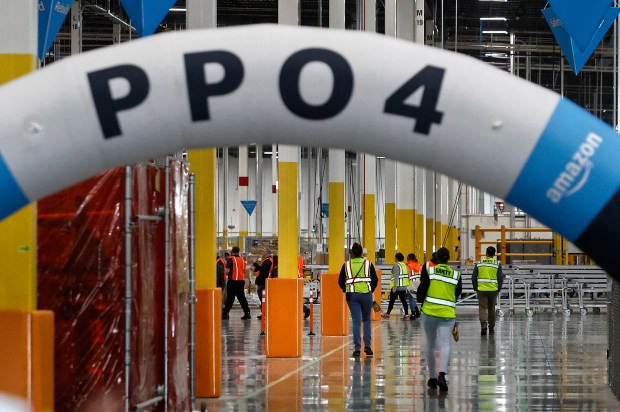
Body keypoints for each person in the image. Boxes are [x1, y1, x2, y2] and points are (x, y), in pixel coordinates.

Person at [417, 247, 462, 392]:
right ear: (448, 259)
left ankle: (432, 378)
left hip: (429, 312)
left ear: (436, 258)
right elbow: (457, 293)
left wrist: (421, 302)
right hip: (447, 313)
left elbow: (422, 290)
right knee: (445, 344)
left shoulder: (429, 270)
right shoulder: (456, 274)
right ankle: (442, 374)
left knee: (430, 344)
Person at [338, 243, 379, 358]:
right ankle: (367, 347)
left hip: (352, 296)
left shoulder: (346, 265)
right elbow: (375, 280)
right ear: (362, 253)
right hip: (366, 295)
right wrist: (370, 289)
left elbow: (340, 281)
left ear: (351, 253)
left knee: (356, 321)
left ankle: (357, 348)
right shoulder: (368, 264)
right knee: (366, 320)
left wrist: (345, 289)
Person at [472, 246, 503, 336]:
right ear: (494, 254)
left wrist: (475, 288)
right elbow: (500, 278)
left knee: (482, 308)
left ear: (486, 253)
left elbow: (473, 277)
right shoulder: (497, 264)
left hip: (481, 290)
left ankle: (483, 326)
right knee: (491, 308)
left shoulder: (479, 263)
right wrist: (499, 288)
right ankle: (491, 328)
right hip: (493, 290)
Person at [222, 246, 251, 320]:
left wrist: (223, 270)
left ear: (232, 251)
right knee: (241, 298)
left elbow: (227, 271)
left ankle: (225, 313)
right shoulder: (242, 259)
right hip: (241, 281)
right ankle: (247, 313)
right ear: (238, 251)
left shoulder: (231, 259)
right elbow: (243, 270)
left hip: (233, 281)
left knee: (230, 298)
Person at [382, 252, 410, 320]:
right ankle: (406, 315)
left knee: (391, 301)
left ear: (397, 258)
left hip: (397, 287)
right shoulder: (405, 266)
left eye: (395, 257)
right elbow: (408, 276)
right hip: (403, 287)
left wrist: (394, 288)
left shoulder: (396, 266)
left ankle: (387, 314)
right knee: (404, 301)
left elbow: (396, 277)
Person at [252, 249, 273, 319]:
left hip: (263, 283)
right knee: (263, 300)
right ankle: (263, 313)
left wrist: (255, 263)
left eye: (263, 252)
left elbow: (263, 270)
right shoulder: (266, 261)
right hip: (262, 282)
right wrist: (255, 269)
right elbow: (261, 269)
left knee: (263, 299)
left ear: (267, 253)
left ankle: (265, 314)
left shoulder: (268, 261)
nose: (262, 253)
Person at [406, 253, 422, 320]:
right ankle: (417, 312)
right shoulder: (419, 265)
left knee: (411, 299)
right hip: (418, 283)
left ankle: (413, 313)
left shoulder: (408, 266)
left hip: (411, 283)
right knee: (413, 299)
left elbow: (408, 275)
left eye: (407, 257)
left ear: (410, 258)